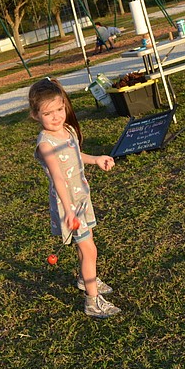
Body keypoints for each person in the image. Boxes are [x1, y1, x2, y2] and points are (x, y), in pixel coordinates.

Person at [28, 77, 120, 319]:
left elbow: (75, 154)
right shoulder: (45, 145)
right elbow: (58, 178)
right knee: (89, 249)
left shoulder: (67, 130)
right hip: (68, 204)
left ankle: (85, 278)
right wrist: (69, 211)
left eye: (60, 109)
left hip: (81, 198)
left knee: (85, 246)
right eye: (49, 113)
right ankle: (92, 301)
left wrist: (96, 159)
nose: (57, 116)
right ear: (36, 115)